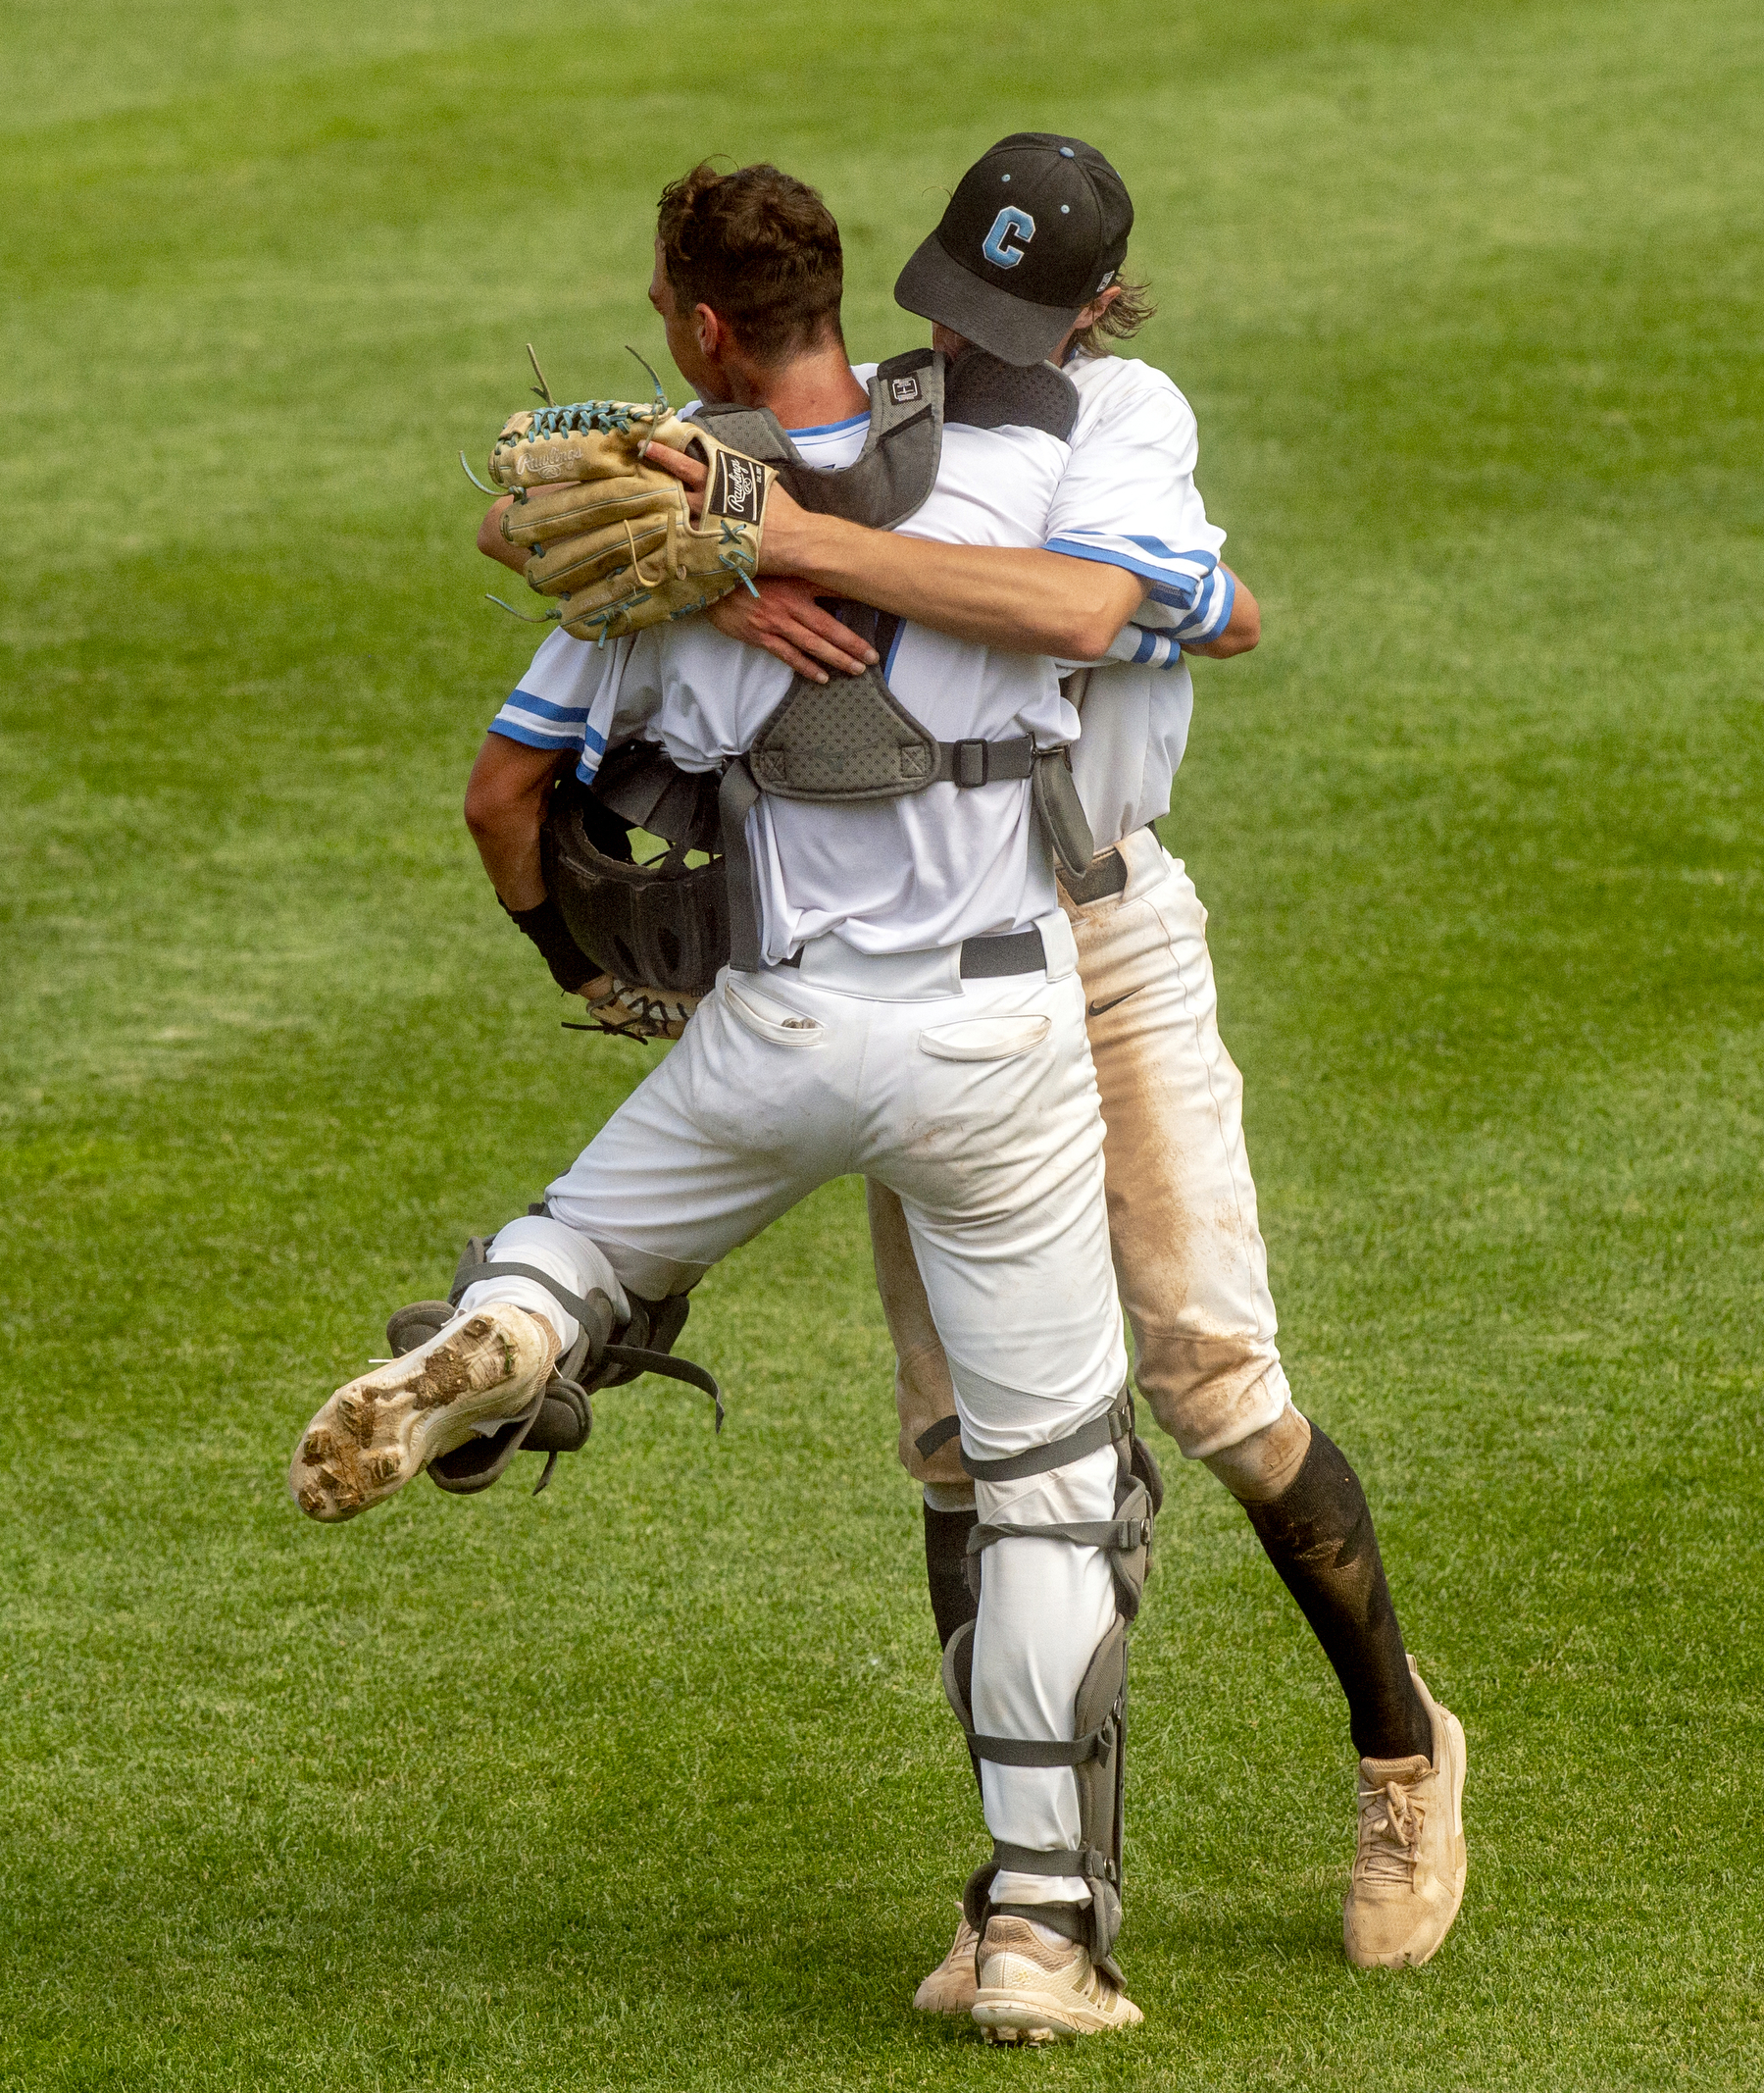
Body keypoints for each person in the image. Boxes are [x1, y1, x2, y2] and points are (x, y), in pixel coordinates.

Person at [496, 136, 1473, 1995]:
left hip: (1098, 939)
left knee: (1208, 1371)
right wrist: (699, 574)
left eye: (1015, 311)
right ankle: (1029, 1886)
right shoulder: (905, 407)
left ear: (1096, 307)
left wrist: (770, 539)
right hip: (914, 966)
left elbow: (1154, 611)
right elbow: (538, 512)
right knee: (966, 1444)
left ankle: (1404, 1747)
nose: (968, 331)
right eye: (954, 293)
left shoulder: (1122, 415)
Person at [297, 158, 1161, 2042]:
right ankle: (1034, 1930)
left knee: (584, 1240)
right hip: (996, 1042)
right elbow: (1141, 610)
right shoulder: (1024, 472)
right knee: (1047, 1487)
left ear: (696, 327)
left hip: (770, 1028)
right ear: (856, 299)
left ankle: (516, 1326)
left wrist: (590, 969)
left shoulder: (654, 542)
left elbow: (502, 802)